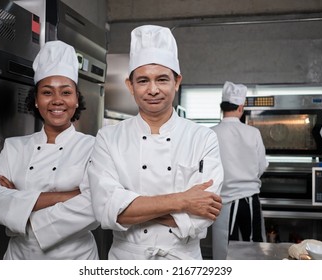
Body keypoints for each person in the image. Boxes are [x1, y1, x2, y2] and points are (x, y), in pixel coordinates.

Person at [88, 25, 224, 260]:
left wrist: (130, 207)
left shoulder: (203, 138)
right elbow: (105, 212)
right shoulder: (108, 138)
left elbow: (202, 218)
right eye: (143, 81)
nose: (153, 90)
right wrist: (183, 200)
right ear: (130, 85)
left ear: (177, 81)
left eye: (162, 79)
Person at [0, 40, 99, 260]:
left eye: (66, 92)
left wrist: (18, 203)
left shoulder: (93, 147)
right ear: (35, 100)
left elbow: (96, 206)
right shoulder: (14, 146)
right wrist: (67, 196)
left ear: (76, 99)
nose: (57, 101)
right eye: (47, 92)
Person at [211, 81, 269, 259]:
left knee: (225, 252)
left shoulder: (211, 133)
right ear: (240, 108)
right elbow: (262, 166)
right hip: (249, 200)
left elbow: (207, 172)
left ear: (222, 108)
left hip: (222, 202)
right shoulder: (253, 133)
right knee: (253, 250)